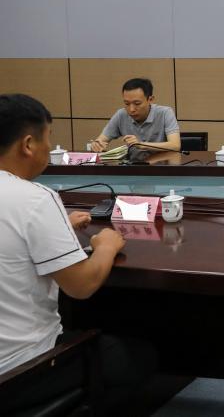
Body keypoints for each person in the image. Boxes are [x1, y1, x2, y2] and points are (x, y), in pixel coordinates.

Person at [0, 93, 153, 411]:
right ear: (28, 144)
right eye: (48, 138)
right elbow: (82, 285)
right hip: (19, 370)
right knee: (139, 357)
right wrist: (106, 246)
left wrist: (56, 228)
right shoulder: (35, 199)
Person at [88, 78, 181, 153]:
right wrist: (96, 145)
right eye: (127, 104)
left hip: (162, 166)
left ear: (150, 100)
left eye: (137, 103)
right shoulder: (121, 115)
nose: (131, 109)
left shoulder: (165, 113)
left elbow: (175, 145)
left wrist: (141, 145)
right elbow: (101, 140)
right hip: (132, 167)